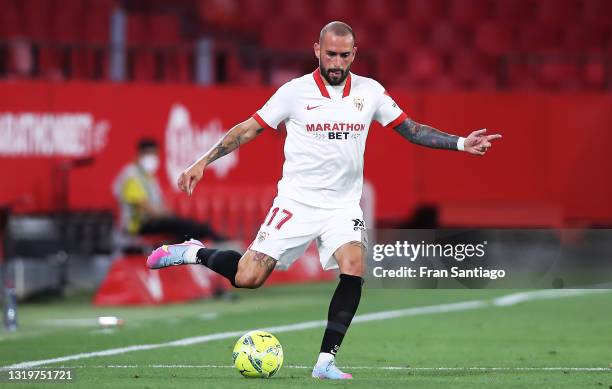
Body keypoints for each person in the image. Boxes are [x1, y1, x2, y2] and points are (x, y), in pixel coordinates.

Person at [146, 21, 501, 379]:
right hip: (296, 202)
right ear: (317, 50)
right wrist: (202, 161)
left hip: (343, 206)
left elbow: (411, 129)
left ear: (354, 55)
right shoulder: (294, 92)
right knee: (248, 277)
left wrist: (460, 143)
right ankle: (192, 251)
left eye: (344, 55)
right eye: (330, 54)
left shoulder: (370, 92)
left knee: (354, 266)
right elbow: (248, 129)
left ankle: (325, 361)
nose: (336, 62)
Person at [113, 138, 225, 243]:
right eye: (148, 154)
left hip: (153, 220)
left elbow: (160, 203)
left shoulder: (148, 177)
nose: (152, 158)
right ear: (139, 155)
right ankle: (170, 253)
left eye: (154, 154)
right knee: (186, 228)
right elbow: (146, 208)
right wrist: (167, 215)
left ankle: (218, 239)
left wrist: (169, 215)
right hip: (138, 226)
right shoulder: (132, 176)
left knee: (193, 226)